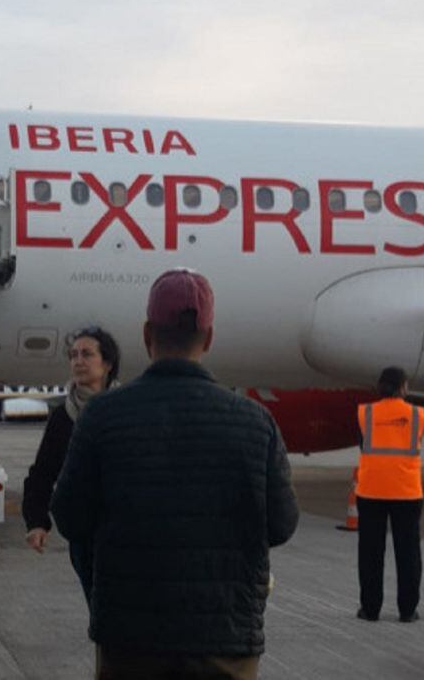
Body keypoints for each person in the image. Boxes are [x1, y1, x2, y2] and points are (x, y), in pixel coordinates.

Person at [51, 269, 300, 680]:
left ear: (147, 335)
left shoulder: (102, 416)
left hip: (131, 640)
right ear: (209, 337)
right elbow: (282, 524)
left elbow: (70, 517)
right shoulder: (256, 422)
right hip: (225, 640)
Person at [23, 327, 121, 600]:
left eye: (87, 354)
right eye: (74, 355)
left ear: (108, 364)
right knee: (100, 609)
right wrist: (37, 521)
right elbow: (42, 473)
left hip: (124, 530)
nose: (78, 361)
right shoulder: (63, 417)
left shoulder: (125, 410)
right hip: (84, 534)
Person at [355, 366, 424, 623]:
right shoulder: (418, 415)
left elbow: (363, 443)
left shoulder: (365, 413)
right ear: (404, 387)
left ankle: (370, 609)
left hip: (371, 490)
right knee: (408, 553)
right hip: (407, 492)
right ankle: (407, 610)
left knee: (370, 553)